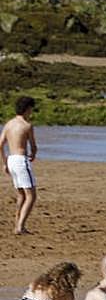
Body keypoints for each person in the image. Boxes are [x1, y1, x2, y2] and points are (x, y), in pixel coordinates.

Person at [2, 95, 37, 235]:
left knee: (21, 195)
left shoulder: (8, 124)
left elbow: (0, 145)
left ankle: (17, 223)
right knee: (31, 195)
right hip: (21, 160)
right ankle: (20, 226)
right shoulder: (27, 125)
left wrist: (4, 163)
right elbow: (33, 146)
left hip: (11, 159)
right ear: (27, 109)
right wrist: (33, 154)